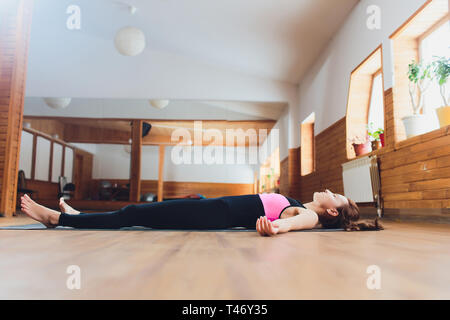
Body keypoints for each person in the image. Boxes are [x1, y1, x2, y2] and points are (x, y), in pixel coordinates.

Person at [19, 189, 382, 236]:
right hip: (212, 208)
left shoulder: (310, 215)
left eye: (336, 195)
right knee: (135, 212)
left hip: (213, 215)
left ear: (332, 213)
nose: (330, 190)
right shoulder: (305, 205)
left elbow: (297, 223)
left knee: (133, 214)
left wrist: (277, 230)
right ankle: (76, 214)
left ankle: (58, 218)